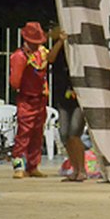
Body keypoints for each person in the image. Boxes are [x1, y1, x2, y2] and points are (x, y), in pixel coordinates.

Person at [9, 22, 65, 178]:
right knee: (24, 133)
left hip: (40, 98)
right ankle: (19, 166)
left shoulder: (41, 52)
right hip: (27, 99)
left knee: (37, 133)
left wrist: (60, 42)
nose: (37, 44)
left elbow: (51, 59)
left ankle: (33, 166)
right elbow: (14, 82)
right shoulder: (19, 56)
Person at [50, 26, 87, 181]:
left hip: (79, 98)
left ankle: (82, 169)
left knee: (74, 133)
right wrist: (60, 42)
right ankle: (75, 168)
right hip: (63, 98)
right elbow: (50, 59)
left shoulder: (79, 51)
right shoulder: (58, 50)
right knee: (64, 135)